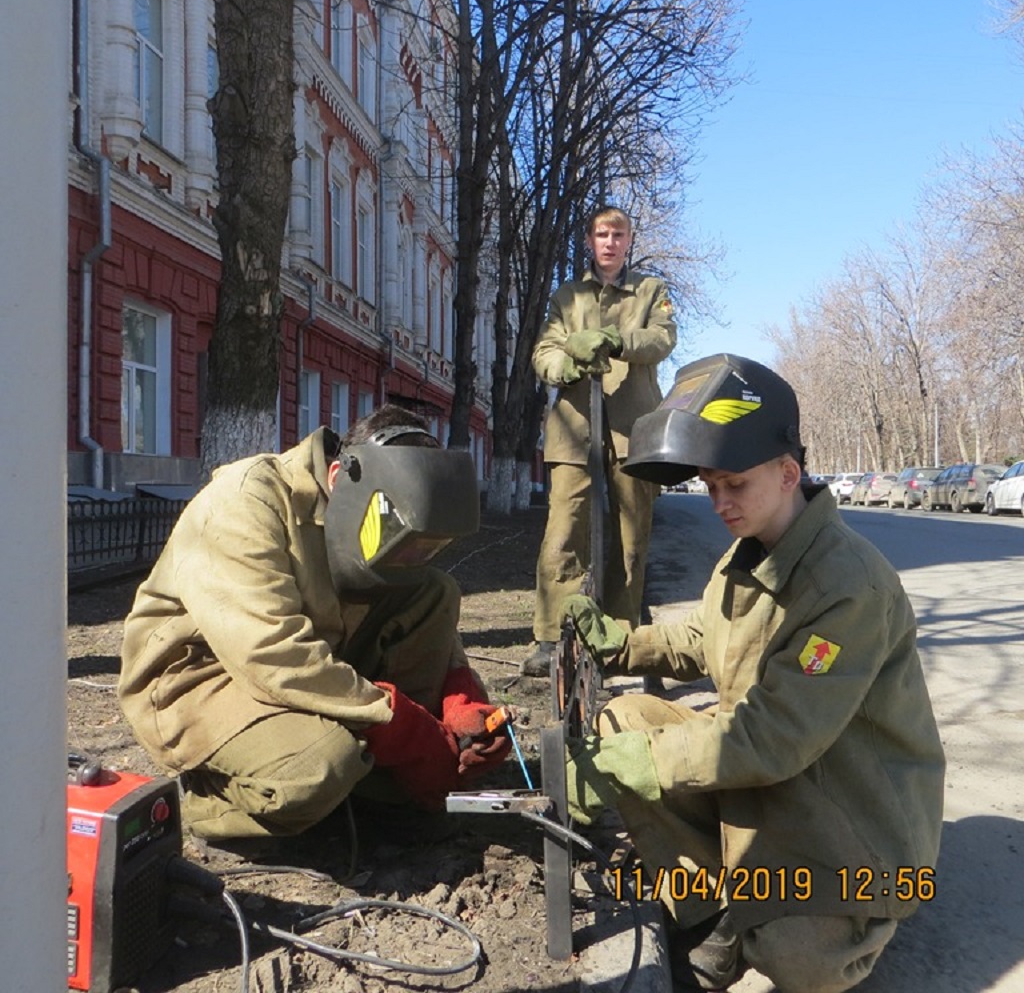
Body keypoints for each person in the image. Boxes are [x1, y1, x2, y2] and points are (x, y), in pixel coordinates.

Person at [561, 353, 945, 992]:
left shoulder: (846, 583)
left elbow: (774, 736)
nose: (719, 502)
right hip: (776, 773)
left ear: (788, 472)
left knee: (795, 957)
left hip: (849, 809)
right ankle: (713, 910)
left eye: (734, 484)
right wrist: (624, 645)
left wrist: (645, 763)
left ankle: (862, 917)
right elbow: (704, 635)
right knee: (623, 718)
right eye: (711, 486)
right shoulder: (752, 552)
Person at [118, 405, 511, 843]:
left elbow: (424, 609)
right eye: (408, 542)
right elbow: (270, 652)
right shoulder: (247, 498)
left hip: (314, 662)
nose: (414, 556)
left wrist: (460, 700)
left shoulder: (375, 513)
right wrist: (403, 726)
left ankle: (381, 781)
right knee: (320, 768)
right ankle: (208, 801)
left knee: (435, 590)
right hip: (203, 675)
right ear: (340, 477)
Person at [523, 204, 677, 677]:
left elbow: (663, 338)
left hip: (633, 428)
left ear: (629, 241)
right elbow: (544, 350)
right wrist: (564, 365)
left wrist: (615, 341)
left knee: (630, 538)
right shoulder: (566, 297)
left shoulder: (650, 291)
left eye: (618, 234)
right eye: (601, 234)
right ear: (589, 241)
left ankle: (620, 637)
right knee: (564, 529)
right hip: (573, 425)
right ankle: (552, 635)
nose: (609, 242)